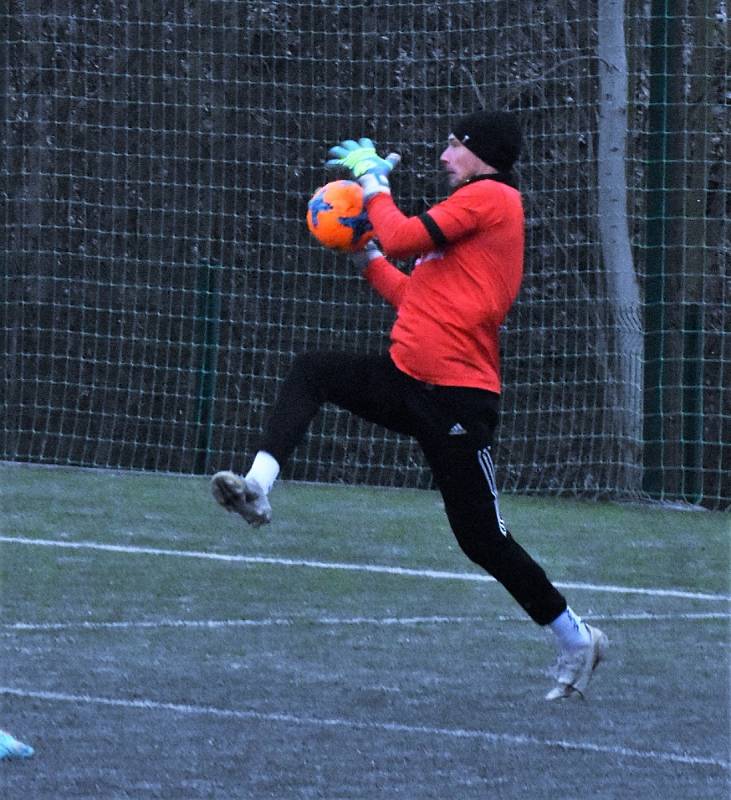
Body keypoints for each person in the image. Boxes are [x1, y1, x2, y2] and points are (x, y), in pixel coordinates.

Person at [212, 110, 608, 700]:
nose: (445, 157)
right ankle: (257, 486)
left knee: (482, 539)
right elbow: (411, 293)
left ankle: (577, 638)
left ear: (481, 154)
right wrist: (364, 256)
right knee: (313, 370)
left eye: (454, 146)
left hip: (456, 396)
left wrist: (373, 186)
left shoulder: (494, 198)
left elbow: (400, 235)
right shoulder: (466, 217)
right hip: (408, 380)